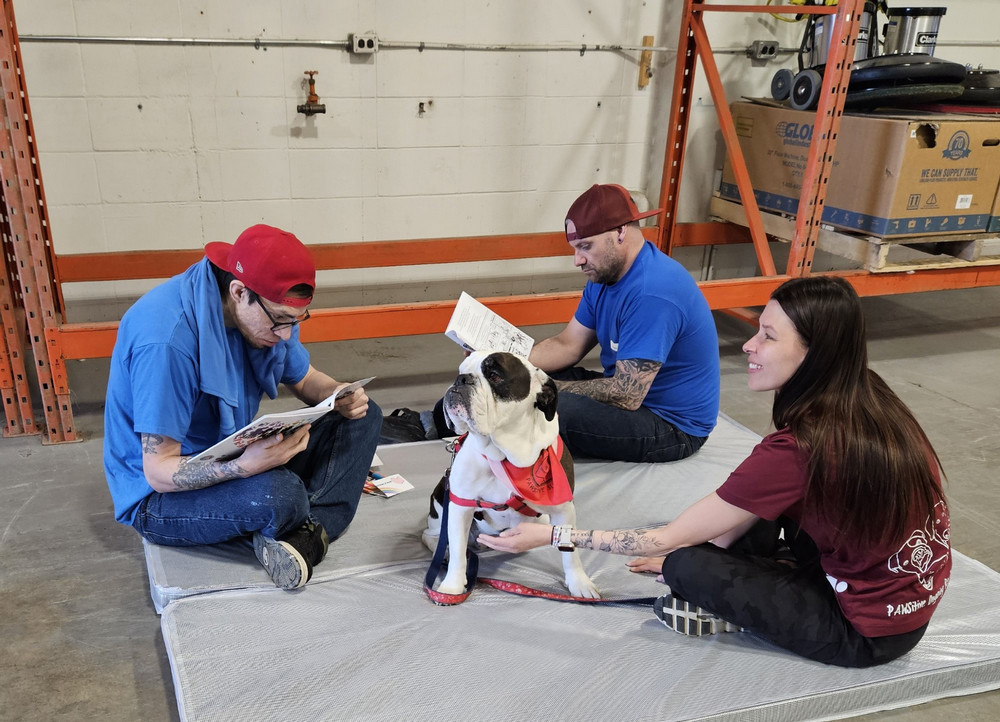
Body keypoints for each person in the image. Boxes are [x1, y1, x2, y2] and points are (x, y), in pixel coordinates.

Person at [478, 276, 951, 667]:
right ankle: (729, 572)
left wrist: (550, 537)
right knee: (725, 528)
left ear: (815, 353)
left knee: (684, 561)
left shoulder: (797, 448)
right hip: (901, 599)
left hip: (866, 631)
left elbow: (663, 540)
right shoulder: (867, 397)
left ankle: (728, 585)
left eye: (768, 335)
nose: (748, 344)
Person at [103, 224, 383, 590]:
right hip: (161, 496)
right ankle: (302, 526)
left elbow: (304, 378)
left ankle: (298, 534)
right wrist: (244, 466)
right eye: (280, 321)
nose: (286, 334)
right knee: (276, 494)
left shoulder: (266, 311)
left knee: (365, 416)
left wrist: (338, 393)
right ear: (239, 292)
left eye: (296, 321)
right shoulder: (166, 342)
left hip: (233, 451)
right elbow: (158, 472)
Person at [383, 184, 720, 463]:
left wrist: (532, 388)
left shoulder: (653, 292)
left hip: (670, 426)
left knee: (554, 406)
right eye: (575, 248)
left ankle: (483, 447)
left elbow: (625, 395)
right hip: (634, 399)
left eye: (585, 247)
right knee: (517, 377)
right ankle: (432, 422)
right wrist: (502, 360)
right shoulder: (605, 276)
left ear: (620, 232)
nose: (578, 260)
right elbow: (567, 345)